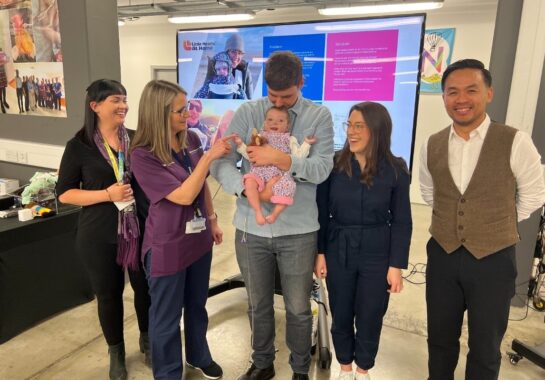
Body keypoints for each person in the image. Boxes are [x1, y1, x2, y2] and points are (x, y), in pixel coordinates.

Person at [211, 51, 334, 380]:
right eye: (272, 95)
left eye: (286, 96)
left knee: (296, 307)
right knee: (258, 304)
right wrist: (246, 188)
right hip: (251, 230)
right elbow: (221, 161)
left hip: (298, 231)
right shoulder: (248, 112)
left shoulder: (318, 116)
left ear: (301, 83)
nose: (278, 103)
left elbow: (322, 168)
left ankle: (298, 368)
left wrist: (283, 160)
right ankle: (262, 362)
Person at [419, 59, 545, 380]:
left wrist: (495, 221)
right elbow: (429, 191)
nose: (461, 99)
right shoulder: (432, 143)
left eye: (471, 90)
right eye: (452, 92)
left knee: (486, 347)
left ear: (488, 93)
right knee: (440, 341)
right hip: (443, 257)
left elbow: (535, 192)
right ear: (444, 97)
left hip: (493, 261)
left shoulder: (514, 141)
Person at [130, 79, 234, 380]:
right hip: (168, 244)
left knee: (197, 305)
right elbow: (184, 195)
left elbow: (200, 188)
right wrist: (210, 157)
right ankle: (168, 373)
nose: (187, 113)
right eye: (180, 109)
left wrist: (213, 220)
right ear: (158, 113)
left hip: (198, 239)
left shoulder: (189, 138)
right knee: (165, 317)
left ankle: (198, 355)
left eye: (187, 106)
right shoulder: (143, 155)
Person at [56, 79, 151, 380]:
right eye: (115, 100)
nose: (123, 105)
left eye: (124, 99)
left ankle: (148, 340)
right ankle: (116, 352)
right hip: (99, 235)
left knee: (145, 288)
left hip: (140, 230)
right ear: (95, 106)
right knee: (109, 295)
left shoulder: (137, 139)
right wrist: (106, 195)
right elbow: (65, 193)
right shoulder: (79, 146)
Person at [314, 102, 412, 380]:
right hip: (338, 245)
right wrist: (319, 252)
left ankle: (363, 369)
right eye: (349, 125)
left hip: (377, 248)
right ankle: (344, 369)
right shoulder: (333, 165)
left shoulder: (396, 169)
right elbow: (321, 212)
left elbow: (403, 220)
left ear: (377, 130)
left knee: (370, 314)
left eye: (359, 126)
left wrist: (396, 265)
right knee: (341, 311)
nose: (351, 132)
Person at [235, 106, 316, 224]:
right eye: (270, 120)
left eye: (280, 121)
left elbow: (298, 156)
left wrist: (306, 144)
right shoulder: (259, 138)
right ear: (264, 123)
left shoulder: (289, 139)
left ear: (287, 125)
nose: (274, 123)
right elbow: (250, 154)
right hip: (259, 172)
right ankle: (258, 211)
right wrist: (240, 145)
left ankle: (275, 214)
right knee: (249, 182)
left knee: (289, 187)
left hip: (280, 174)